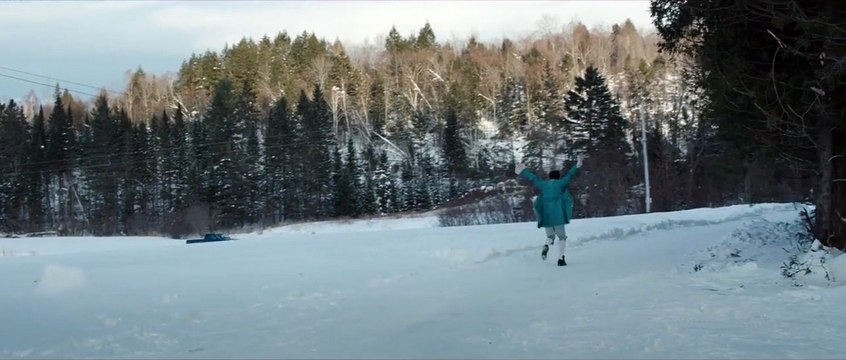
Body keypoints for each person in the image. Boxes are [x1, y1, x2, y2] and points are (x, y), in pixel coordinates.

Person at [515, 155, 583, 266]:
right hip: (558, 216)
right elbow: (570, 175)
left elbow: (533, 178)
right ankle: (561, 259)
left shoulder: (544, 185)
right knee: (562, 238)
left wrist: (523, 171)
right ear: (558, 177)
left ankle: (546, 245)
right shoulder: (561, 183)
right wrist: (577, 165)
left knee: (550, 237)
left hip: (547, 216)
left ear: (549, 177)